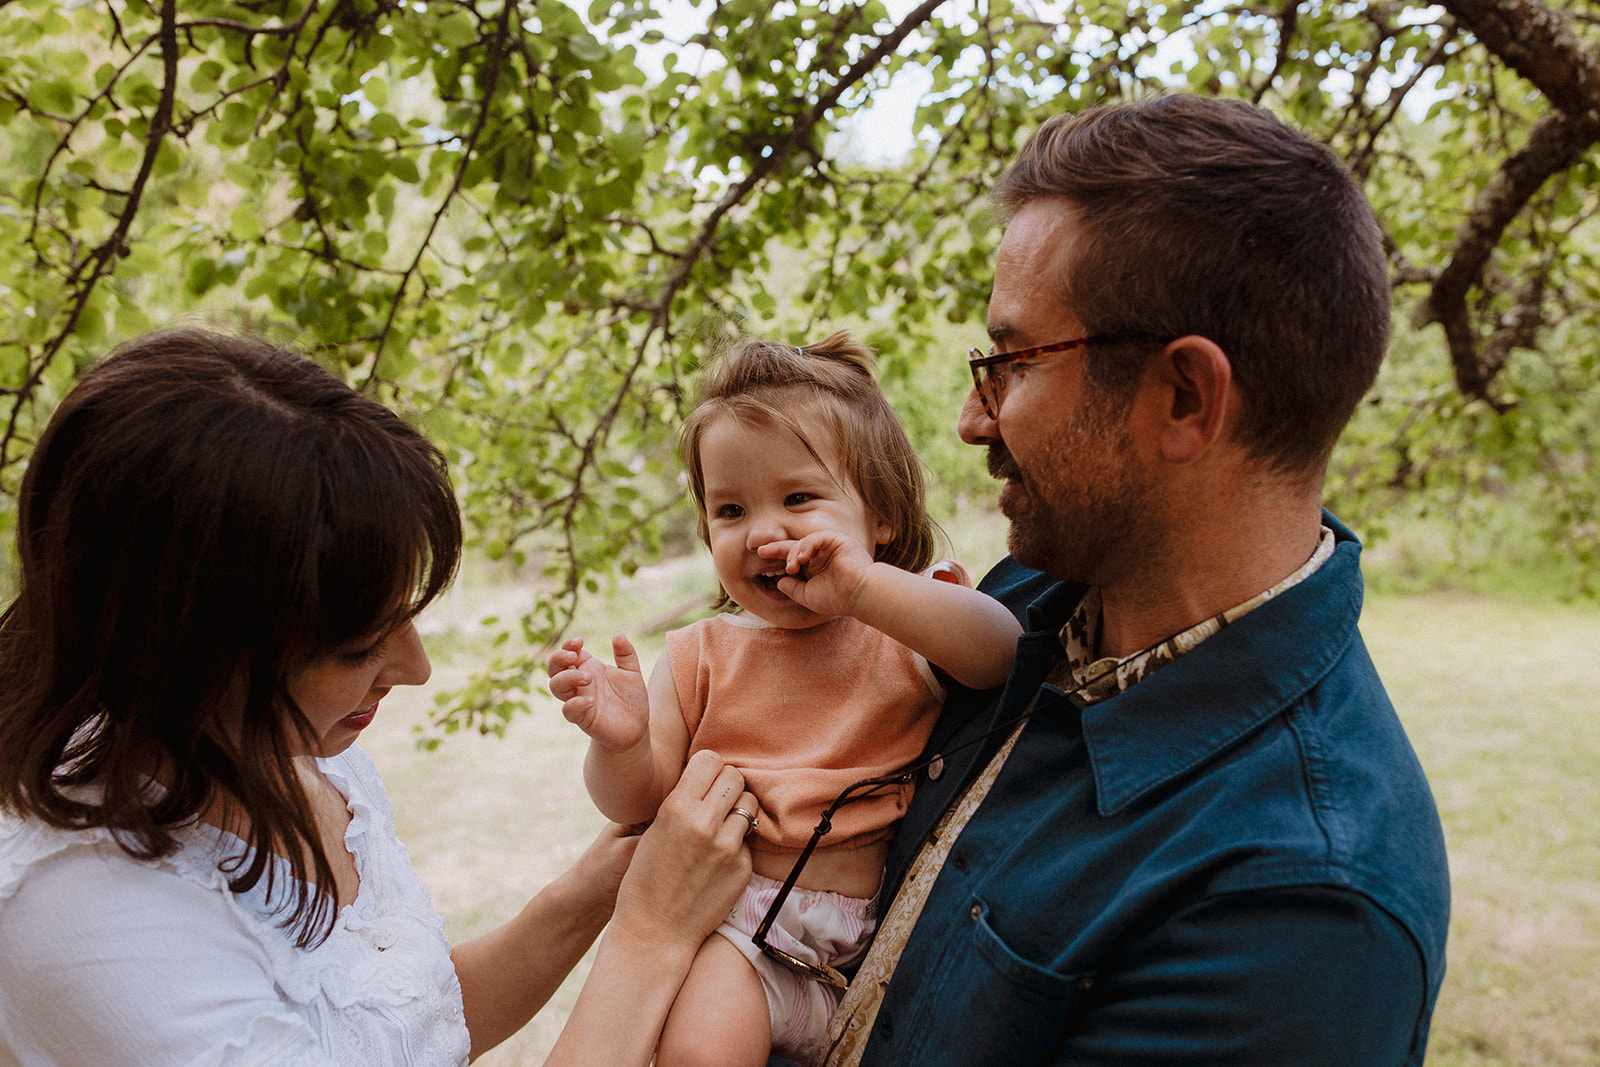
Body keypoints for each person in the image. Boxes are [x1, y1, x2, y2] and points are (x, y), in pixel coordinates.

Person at [806, 95, 1452, 1066]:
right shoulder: (1028, 598)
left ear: (1185, 398)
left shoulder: (1299, 911)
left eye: (1012, 362)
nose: (973, 422)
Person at [0, 329, 757, 1067]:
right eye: (359, 646)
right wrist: (650, 936)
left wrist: (597, 889)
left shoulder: (292, 750)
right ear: (189, 645)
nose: (417, 668)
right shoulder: (84, 915)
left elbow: (413, 1031)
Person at [547, 333, 1022, 1067]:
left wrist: (865, 589)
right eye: (730, 510)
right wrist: (622, 742)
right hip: (740, 934)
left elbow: (1003, 653)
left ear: (881, 516)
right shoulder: (701, 653)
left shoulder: (902, 621)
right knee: (700, 1052)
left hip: (877, 948)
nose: (764, 532)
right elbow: (635, 803)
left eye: (798, 498)